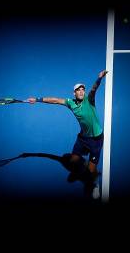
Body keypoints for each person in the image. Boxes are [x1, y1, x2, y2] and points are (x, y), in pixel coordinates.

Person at [27, 70, 108, 199]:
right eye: (78, 90)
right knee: (73, 160)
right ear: (74, 93)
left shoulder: (89, 100)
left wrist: (99, 79)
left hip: (96, 140)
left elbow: (93, 89)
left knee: (92, 170)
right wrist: (37, 99)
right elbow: (55, 100)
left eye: (83, 89)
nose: (81, 91)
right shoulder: (70, 103)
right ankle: (83, 161)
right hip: (83, 138)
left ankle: (95, 184)